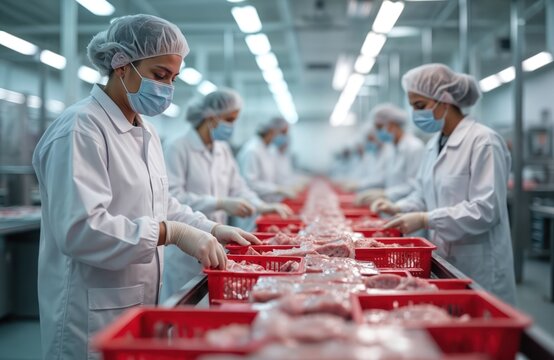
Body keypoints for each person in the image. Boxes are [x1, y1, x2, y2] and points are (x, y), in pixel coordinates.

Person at [32, 15, 259, 360]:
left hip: (137, 298)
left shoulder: (146, 130)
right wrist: (170, 233)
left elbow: (161, 202)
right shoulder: (81, 129)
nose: (168, 87)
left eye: (173, 78)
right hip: (90, 309)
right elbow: (80, 230)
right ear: (121, 66)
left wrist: (209, 226)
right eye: (159, 75)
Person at [373, 63, 517, 304]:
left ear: (445, 100)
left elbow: (486, 210)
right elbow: (422, 193)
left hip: (480, 264)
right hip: (445, 257)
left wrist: (426, 219)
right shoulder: (434, 145)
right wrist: (398, 207)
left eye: (420, 106)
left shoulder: (484, 142)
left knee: (479, 327)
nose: (416, 114)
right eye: (412, 107)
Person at [162, 89, 293, 298]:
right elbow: (171, 197)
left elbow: (238, 187)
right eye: (230, 119)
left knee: (210, 302)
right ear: (211, 117)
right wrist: (220, 203)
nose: (232, 126)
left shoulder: (222, 149)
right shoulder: (177, 147)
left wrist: (261, 205)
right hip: (183, 253)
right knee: (184, 304)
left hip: (217, 242)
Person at [355, 104, 425, 204]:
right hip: (390, 207)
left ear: (392, 124)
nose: (377, 132)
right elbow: (385, 177)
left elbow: (414, 186)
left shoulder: (414, 147)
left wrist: (385, 193)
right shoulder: (391, 149)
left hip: (408, 209)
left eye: (379, 127)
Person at [237, 116, 297, 203]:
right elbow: (250, 184)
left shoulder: (267, 150)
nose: (285, 137)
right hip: (252, 208)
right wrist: (277, 189)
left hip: (265, 203)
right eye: (283, 132)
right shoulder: (252, 150)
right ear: (272, 130)